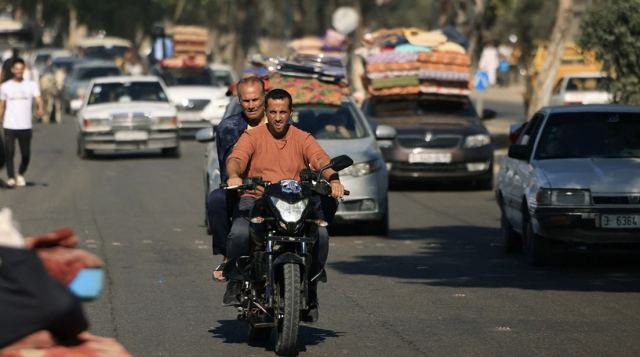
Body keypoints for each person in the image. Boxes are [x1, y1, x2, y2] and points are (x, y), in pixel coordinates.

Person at [223, 88, 346, 320]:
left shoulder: (303, 137)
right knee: (239, 232)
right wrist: (234, 175)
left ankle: (311, 287)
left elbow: (320, 160)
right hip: (258, 198)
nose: (278, 117)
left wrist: (334, 179)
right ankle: (236, 282)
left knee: (321, 234)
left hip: (295, 201)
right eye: (273, 112)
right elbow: (236, 159)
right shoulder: (252, 136)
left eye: (282, 112)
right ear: (266, 113)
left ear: (291, 113)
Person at [207, 76, 268, 281]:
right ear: (239, 101)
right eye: (246, 101)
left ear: (265, 98)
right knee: (216, 199)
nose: (251, 106)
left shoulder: (279, 122)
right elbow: (228, 164)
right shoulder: (228, 128)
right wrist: (236, 180)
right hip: (243, 190)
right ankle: (228, 257)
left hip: (275, 190)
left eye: (255, 100)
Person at [0, 58, 45, 188]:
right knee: (10, 152)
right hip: (10, 124)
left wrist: (40, 109)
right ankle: (11, 177)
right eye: (16, 69)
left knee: (26, 154)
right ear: (13, 70)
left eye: (21, 69)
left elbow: (39, 99)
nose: (19, 71)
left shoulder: (31, 85)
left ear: (24, 69)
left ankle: (20, 173)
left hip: (25, 125)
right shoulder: (5, 87)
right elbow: (2, 105)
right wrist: (0, 118)